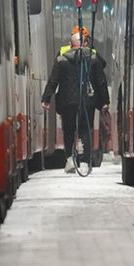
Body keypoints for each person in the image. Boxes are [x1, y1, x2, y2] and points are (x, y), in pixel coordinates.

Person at [41, 29, 109, 174]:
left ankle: (70, 160)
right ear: (84, 43)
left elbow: (53, 81)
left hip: (67, 102)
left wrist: (46, 99)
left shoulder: (61, 60)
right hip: (88, 101)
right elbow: (101, 81)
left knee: (69, 130)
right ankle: (84, 162)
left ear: (71, 44)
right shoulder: (92, 58)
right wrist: (105, 101)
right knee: (86, 130)